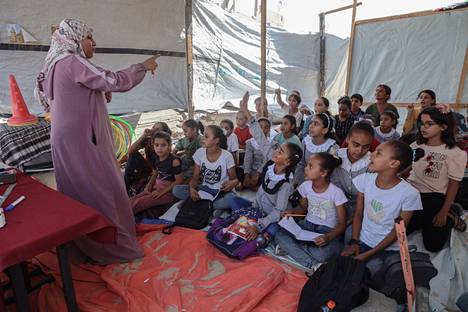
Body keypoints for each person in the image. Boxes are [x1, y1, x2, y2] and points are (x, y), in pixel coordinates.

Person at [34, 19, 158, 263]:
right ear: (75, 39)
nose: (94, 43)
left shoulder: (55, 64)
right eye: (89, 37)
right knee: (102, 189)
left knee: (78, 189)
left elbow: (88, 87)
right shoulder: (71, 61)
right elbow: (112, 80)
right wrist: (142, 66)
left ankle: (83, 246)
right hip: (83, 140)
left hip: (67, 140)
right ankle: (113, 247)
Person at [228, 93, 303, 240]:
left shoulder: (286, 184)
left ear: (287, 162)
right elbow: (260, 138)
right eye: (278, 148)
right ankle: (252, 223)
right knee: (232, 200)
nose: (276, 151)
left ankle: (258, 228)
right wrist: (246, 111)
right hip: (258, 209)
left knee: (276, 228)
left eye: (281, 151)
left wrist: (259, 225)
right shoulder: (271, 160)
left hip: (270, 215)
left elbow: (277, 211)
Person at [341, 141, 422, 276]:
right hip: (362, 239)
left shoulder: (409, 194)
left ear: (393, 163)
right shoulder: (365, 179)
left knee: (367, 274)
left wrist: (368, 254)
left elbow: (398, 231)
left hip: (386, 248)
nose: (371, 155)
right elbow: (359, 213)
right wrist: (355, 241)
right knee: (344, 266)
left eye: (378, 153)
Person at [407, 106, 467, 252]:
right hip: (410, 195)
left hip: (433, 198)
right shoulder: (415, 145)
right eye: (421, 123)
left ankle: (451, 214)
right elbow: (406, 169)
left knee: (433, 245)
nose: (423, 127)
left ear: (443, 126)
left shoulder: (454, 153)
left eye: (429, 124)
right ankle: (422, 219)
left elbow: (454, 183)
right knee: (398, 230)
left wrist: (444, 211)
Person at [275, 153, 347, 269]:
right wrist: (292, 211)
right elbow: (303, 208)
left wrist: (328, 237)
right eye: (307, 165)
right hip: (307, 226)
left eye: (311, 166)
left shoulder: (336, 193)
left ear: (323, 173)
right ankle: (312, 263)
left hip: (326, 231)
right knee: (279, 234)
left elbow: (342, 224)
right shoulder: (305, 186)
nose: (306, 168)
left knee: (325, 253)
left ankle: (293, 250)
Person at [172, 125, 238, 210]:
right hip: (205, 189)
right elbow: (195, 177)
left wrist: (232, 183)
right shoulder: (200, 153)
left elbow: (234, 179)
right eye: (203, 135)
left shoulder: (227, 156)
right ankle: (208, 205)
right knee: (176, 190)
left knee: (230, 199)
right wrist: (192, 189)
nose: (203, 138)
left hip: (221, 192)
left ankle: (203, 204)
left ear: (216, 140)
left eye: (206, 136)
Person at [331, 122, 374, 243]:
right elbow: (335, 186)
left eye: (366, 146)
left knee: (349, 236)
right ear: (347, 139)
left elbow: (367, 199)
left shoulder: (372, 162)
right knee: (328, 230)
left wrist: (348, 221)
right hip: (338, 203)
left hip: (361, 208)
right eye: (356, 144)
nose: (360, 151)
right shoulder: (336, 156)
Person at [130, 132, 182, 214]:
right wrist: (149, 185)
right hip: (156, 188)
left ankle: (123, 219)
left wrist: (162, 192)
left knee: (139, 202)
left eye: (163, 145)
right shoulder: (156, 157)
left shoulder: (174, 161)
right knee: (132, 200)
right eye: (156, 145)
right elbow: (155, 172)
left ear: (169, 146)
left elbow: (179, 180)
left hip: (168, 193)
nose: (159, 148)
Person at [124, 122, 171, 195]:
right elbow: (130, 151)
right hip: (149, 167)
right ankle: (125, 187)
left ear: (162, 133)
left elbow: (158, 169)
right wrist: (143, 136)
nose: (153, 130)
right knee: (133, 156)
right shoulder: (148, 141)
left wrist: (149, 184)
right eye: (153, 127)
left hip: (157, 171)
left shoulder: (162, 146)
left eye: (157, 129)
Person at [294, 113, 339, 185]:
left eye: (316, 124)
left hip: (322, 185)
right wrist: (297, 182)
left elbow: (334, 173)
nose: (311, 126)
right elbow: (301, 164)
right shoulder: (306, 141)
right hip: (305, 181)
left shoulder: (332, 147)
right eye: (311, 122)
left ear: (324, 130)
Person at [242, 118, 274, 190]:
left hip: (263, 170)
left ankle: (259, 184)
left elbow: (267, 160)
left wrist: (258, 174)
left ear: (269, 130)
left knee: (271, 175)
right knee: (239, 170)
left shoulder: (272, 143)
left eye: (266, 127)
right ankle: (249, 181)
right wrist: (247, 174)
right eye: (260, 127)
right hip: (252, 169)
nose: (262, 130)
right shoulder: (250, 142)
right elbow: (248, 159)